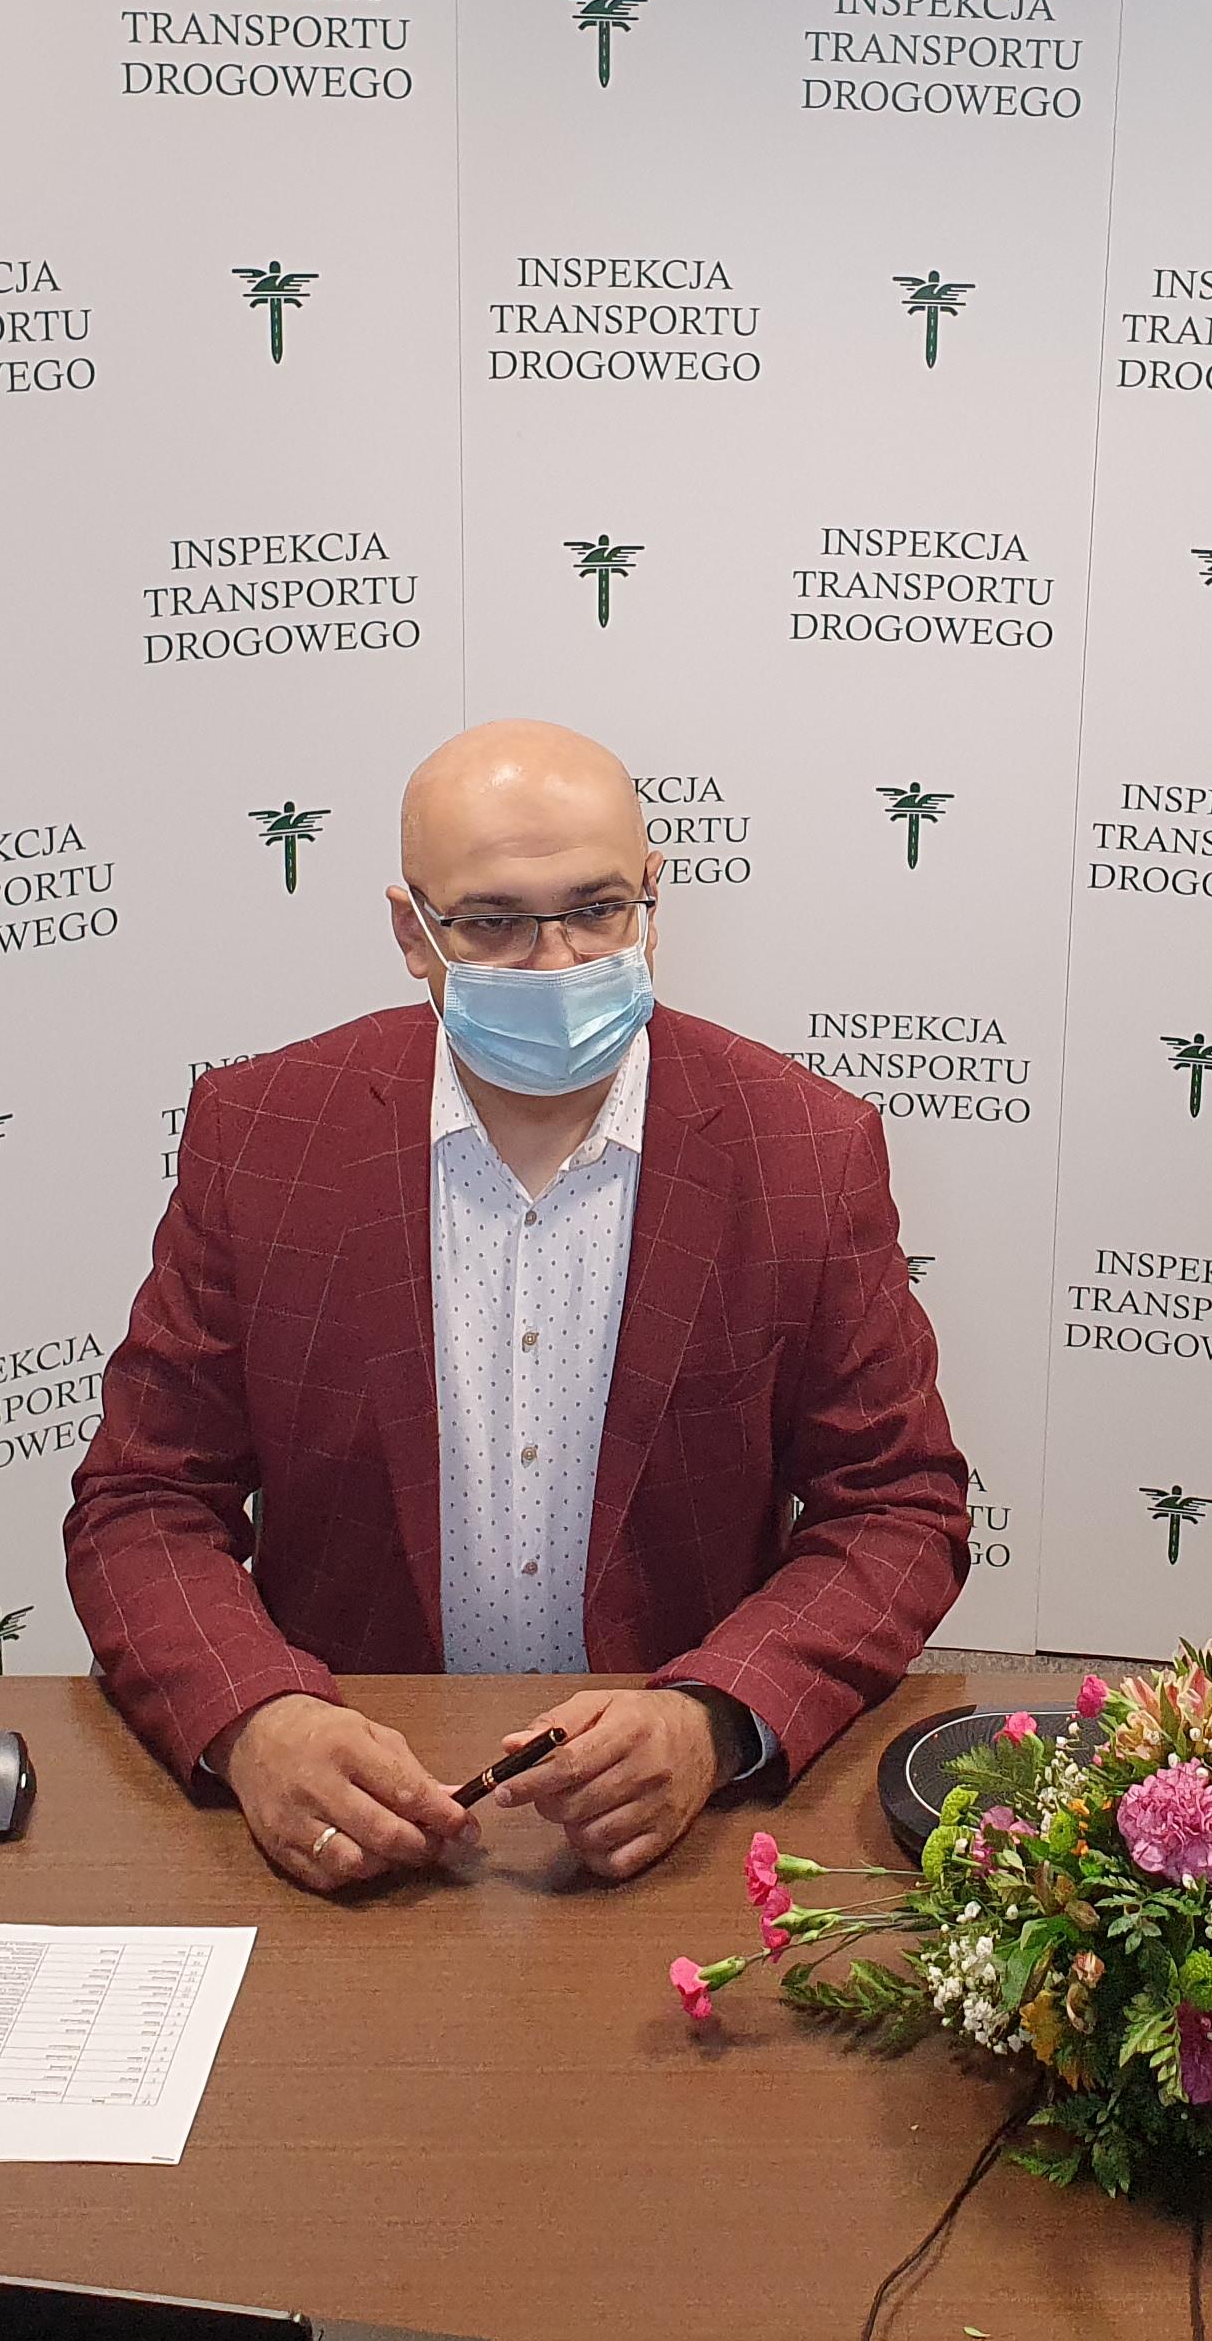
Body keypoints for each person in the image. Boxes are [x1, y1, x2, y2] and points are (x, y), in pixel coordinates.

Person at [68, 719, 970, 1896]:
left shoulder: (804, 1146)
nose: (554, 964)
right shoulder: (264, 1134)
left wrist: (713, 1715)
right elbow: (142, 1501)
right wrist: (256, 1722)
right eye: (493, 924)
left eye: (596, 910)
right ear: (412, 932)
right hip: (352, 1822)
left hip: (666, 1842)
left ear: (653, 899)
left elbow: (898, 1507)